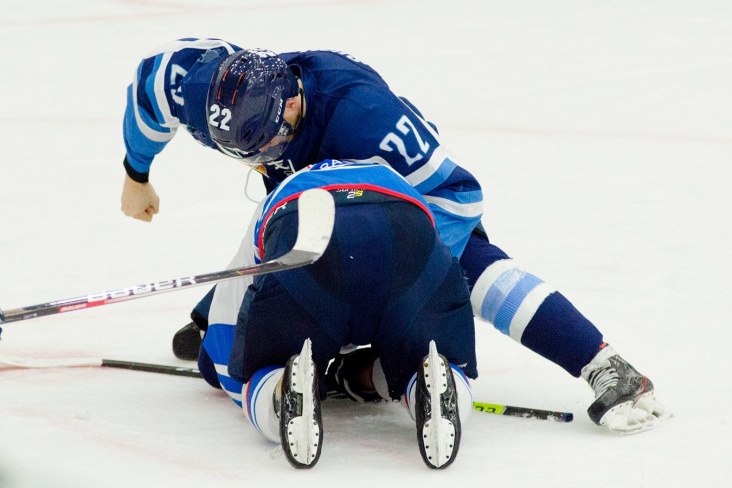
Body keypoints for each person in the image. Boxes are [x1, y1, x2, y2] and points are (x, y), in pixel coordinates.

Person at [120, 38, 671, 434]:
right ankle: (352, 362)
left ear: (290, 102)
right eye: (248, 153)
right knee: (273, 284)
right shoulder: (204, 81)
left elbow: (460, 198)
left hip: (404, 202)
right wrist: (135, 174)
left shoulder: (366, 120)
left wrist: (416, 283)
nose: (263, 159)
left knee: (469, 268)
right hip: (314, 207)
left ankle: (603, 364)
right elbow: (149, 88)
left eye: (269, 144)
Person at [196, 159, 477, 469]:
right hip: (405, 226)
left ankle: (279, 393)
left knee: (260, 373)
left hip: (305, 237)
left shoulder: (279, 192)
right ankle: (443, 388)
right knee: (423, 356)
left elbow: (223, 334)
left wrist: (233, 375)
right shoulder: (391, 175)